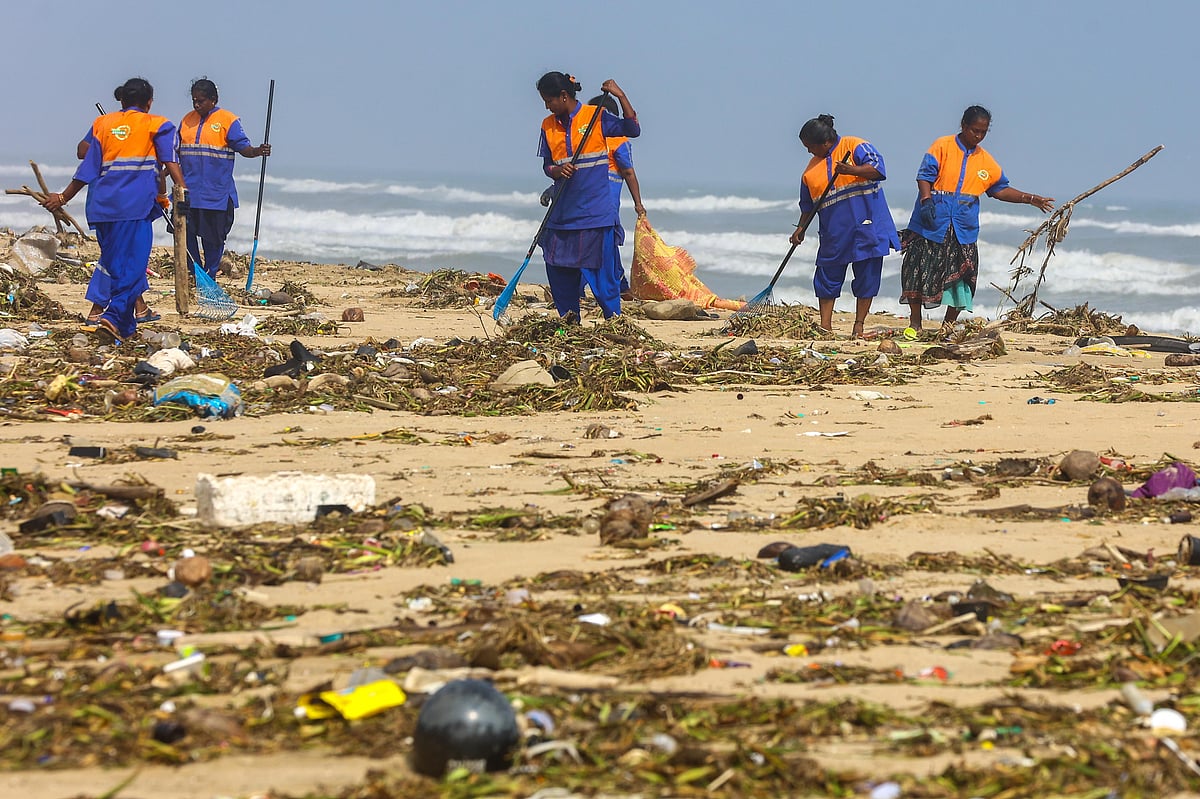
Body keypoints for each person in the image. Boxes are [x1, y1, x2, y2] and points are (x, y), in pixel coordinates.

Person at [43, 78, 185, 344]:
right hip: (135, 207)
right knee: (134, 266)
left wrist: (63, 197)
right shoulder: (158, 125)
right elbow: (169, 160)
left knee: (117, 266)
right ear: (149, 102)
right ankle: (113, 314)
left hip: (103, 208)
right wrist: (182, 190)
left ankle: (125, 327)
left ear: (122, 100)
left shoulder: (103, 124)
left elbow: (87, 168)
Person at [900, 105, 1054, 334]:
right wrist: (926, 199)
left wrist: (1029, 198)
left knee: (964, 276)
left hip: (963, 228)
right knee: (918, 269)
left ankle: (947, 326)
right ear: (963, 125)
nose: (978, 136)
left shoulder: (985, 160)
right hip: (932, 221)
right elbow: (924, 176)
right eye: (975, 130)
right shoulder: (942, 146)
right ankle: (915, 323)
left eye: (983, 132)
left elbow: (1000, 189)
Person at [536, 72, 641, 320]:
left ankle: (613, 321)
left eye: (549, 100)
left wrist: (621, 96)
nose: (547, 106)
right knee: (558, 269)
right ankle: (569, 322)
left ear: (564, 96)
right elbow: (547, 166)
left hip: (595, 215)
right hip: (562, 215)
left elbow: (632, 129)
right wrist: (557, 171)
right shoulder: (547, 126)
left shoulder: (596, 117)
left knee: (603, 278)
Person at [789, 114, 899, 338]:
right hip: (834, 233)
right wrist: (800, 228)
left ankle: (859, 326)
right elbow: (808, 206)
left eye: (810, 147)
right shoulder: (810, 172)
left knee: (867, 277)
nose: (809, 152)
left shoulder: (856, 146)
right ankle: (825, 327)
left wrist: (852, 170)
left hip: (867, 226)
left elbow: (879, 170)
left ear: (825, 142)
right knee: (827, 278)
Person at [76, 86, 162, 324]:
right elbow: (82, 150)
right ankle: (97, 309)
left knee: (128, 256)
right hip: (115, 203)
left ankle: (139, 307)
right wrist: (110, 147)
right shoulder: (107, 125)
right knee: (118, 256)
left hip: (128, 202)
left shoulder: (142, 128)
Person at [177, 78, 271, 278]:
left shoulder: (228, 121)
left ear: (213, 100)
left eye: (201, 101)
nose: (196, 105)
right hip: (189, 192)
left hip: (216, 194)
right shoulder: (186, 121)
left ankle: (210, 274)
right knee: (185, 234)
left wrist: (258, 151)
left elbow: (244, 148)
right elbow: (176, 154)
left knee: (214, 239)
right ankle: (195, 272)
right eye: (194, 100)